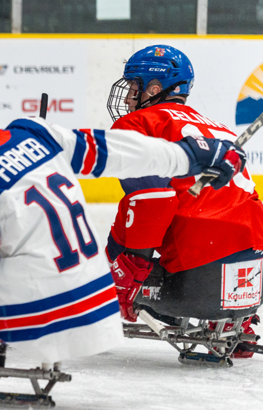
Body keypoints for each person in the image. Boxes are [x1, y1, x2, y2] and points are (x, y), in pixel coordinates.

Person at [0, 79, 246, 402]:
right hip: (98, 303)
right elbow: (118, 152)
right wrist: (190, 155)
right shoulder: (34, 132)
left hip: (43, 323)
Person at [106, 45, 263, 358]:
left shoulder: (137, 124)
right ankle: (241, 319)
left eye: (134, 88)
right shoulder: (219, 130)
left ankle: (134, 291)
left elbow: (152, 199)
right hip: (251, 268)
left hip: (192, 274)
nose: (127, 98)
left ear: (154, 88)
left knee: (126, 221)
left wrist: (129, 268)